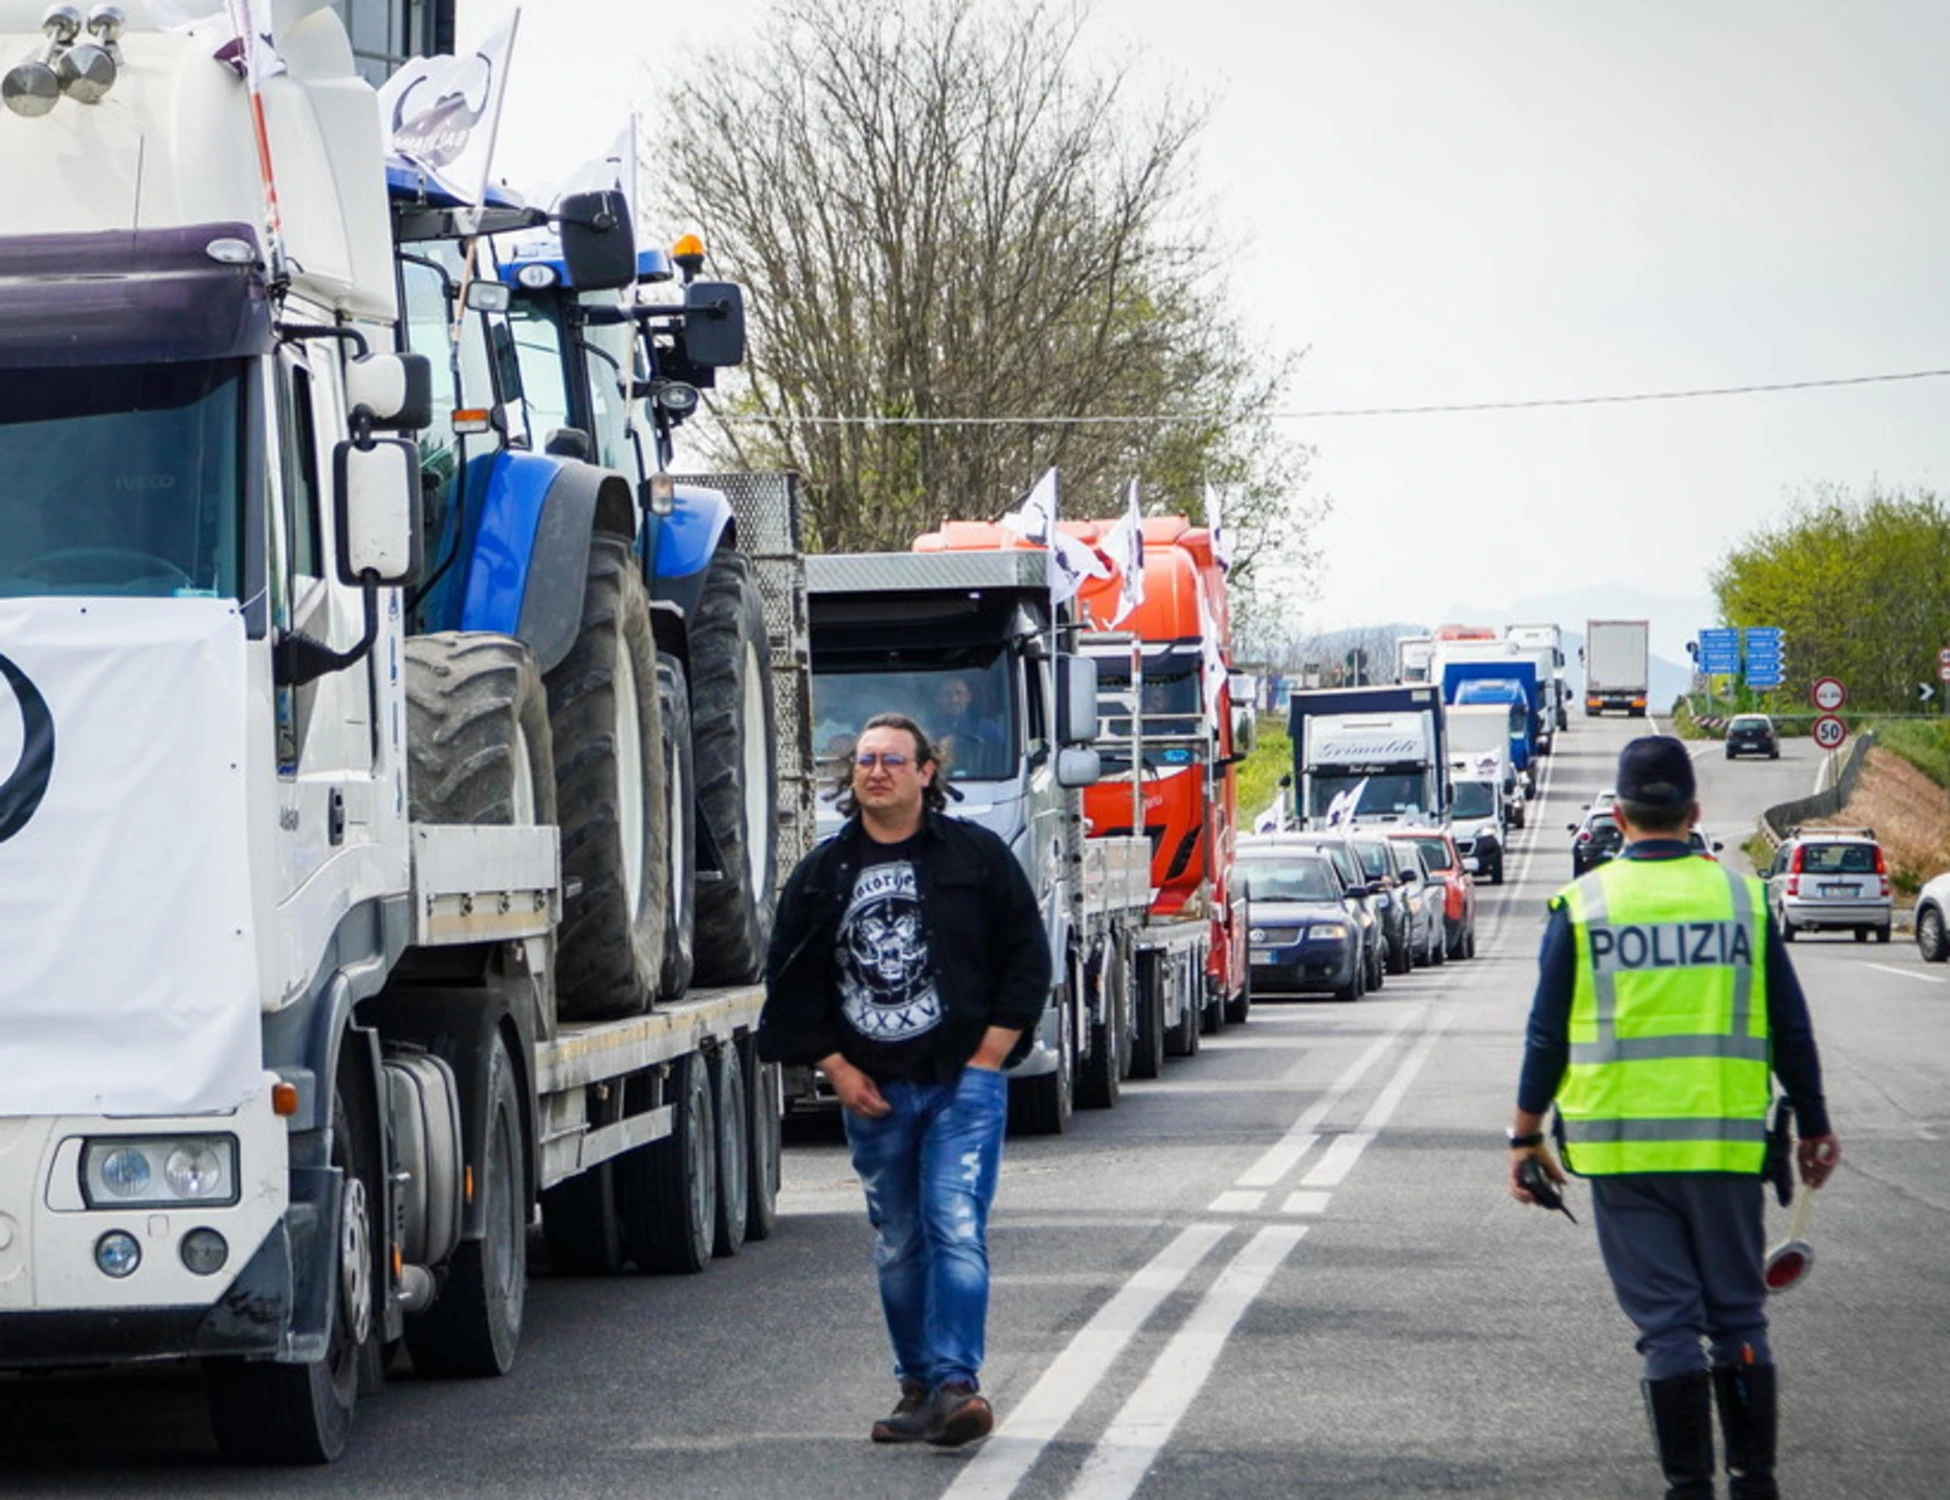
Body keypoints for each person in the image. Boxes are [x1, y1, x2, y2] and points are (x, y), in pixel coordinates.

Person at [1509, 735, 1842, 1500]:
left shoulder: (1584, 905)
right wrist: (1817, 1126)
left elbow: (1545, 1035)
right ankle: (1754, 1481)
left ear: (1619, 818)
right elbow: (1790, 1027)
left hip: (1623, 1158)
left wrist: (1524, 1135)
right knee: (1738, 1319)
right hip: (1726, 1152)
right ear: (1693, 814)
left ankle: (1687, 1487)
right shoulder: (1742, 899)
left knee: (1668, 1329)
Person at [757, 712, 1051, 1449]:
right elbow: (790, 983)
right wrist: (837, 1067)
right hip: (874, 1091)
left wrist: (990, 1056)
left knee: (955, 1227)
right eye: (863, 760)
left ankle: (957, 1386)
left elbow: (1027, 954)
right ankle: (917, 1387)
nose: (875, 771)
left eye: (892, 759)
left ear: (927, 773)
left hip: (962, 1081)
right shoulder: (825, 873)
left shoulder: (976, 857)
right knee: (898, 1240)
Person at [932, 674, 1002, 774]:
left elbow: (999, 762)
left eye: (958, 693)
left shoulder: (988, 729)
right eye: (947, 694)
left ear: (968, 697)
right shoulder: (926, 728)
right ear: (938, 699)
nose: (953, 700)